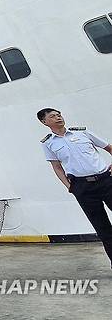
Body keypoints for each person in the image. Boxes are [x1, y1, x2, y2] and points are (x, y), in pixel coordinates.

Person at [38, 108, 112, 267]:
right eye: (52, 116)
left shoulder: (83, 133)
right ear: (44, 122)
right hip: (82, 188)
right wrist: (69, 187)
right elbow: (57, 167)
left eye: (59, 114)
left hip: (106, 181)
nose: (58, 117)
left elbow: (109, 148)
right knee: (103, 228)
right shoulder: (48, 143)